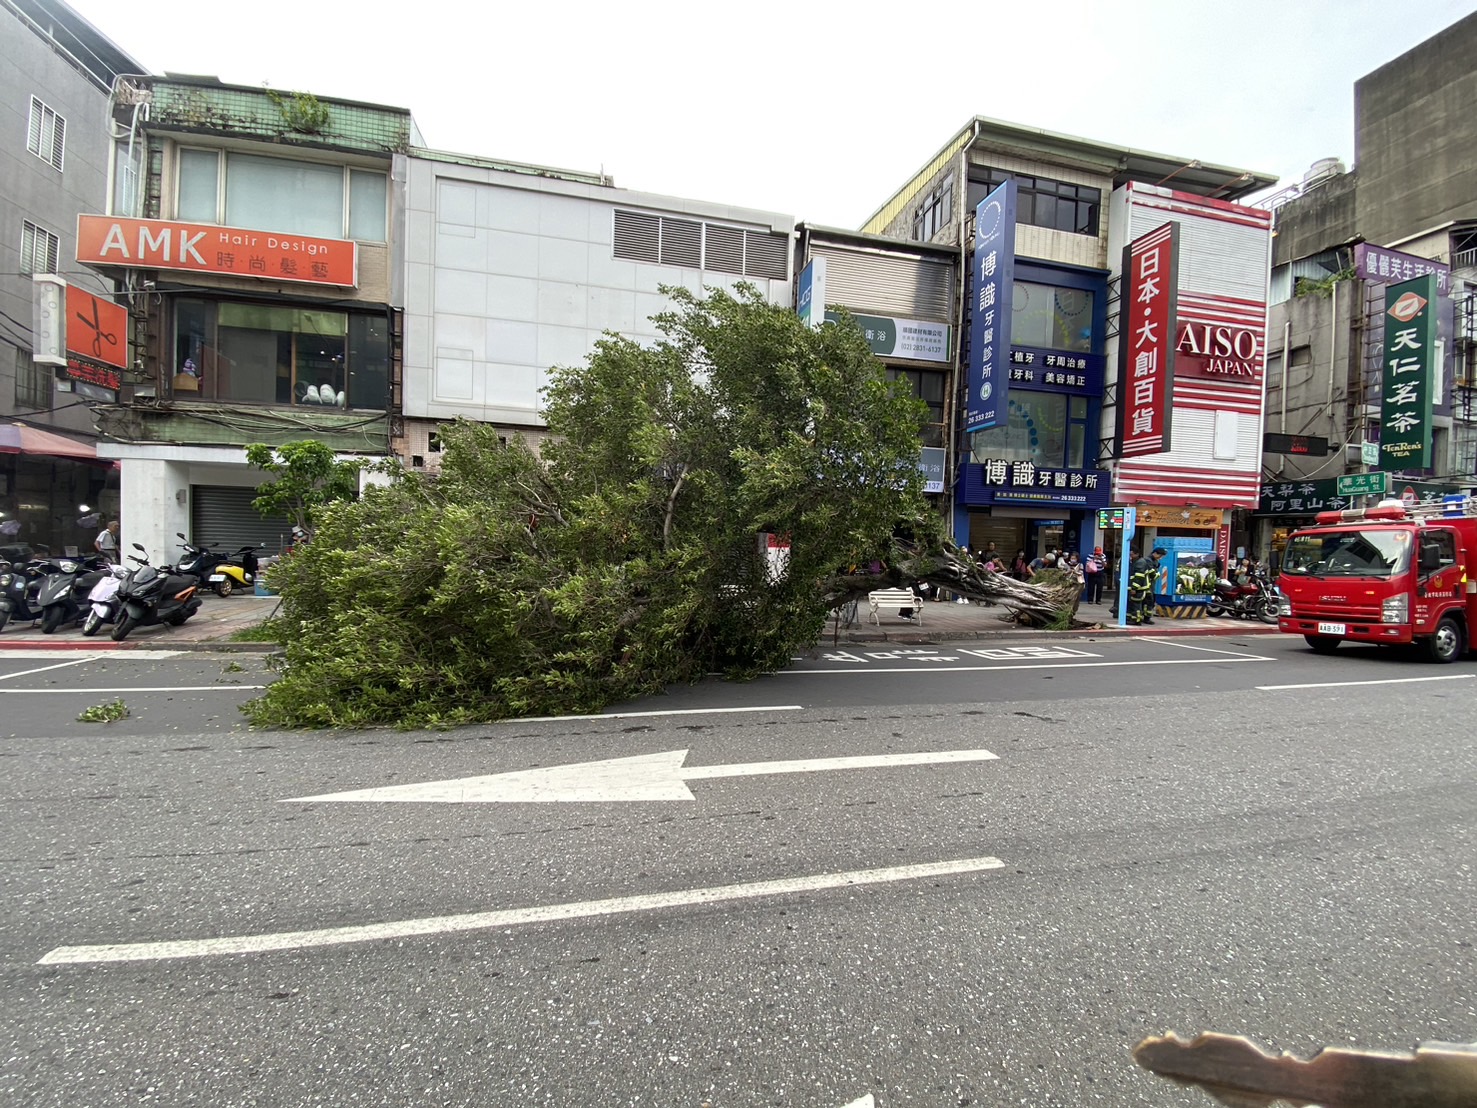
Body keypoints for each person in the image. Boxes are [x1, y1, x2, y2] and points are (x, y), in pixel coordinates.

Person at [1128, 546, 1167, 625]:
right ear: (1155, 553)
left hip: (1148, 585)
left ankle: (1144, 618)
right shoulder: (1147, 561)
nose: (1161, 558)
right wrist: (1158, 574)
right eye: (1160, 556)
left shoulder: (1152, 561)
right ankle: (1139, 619)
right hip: (1145, 586)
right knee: (1139, 602)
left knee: (1148, 602)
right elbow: (1150, 574)